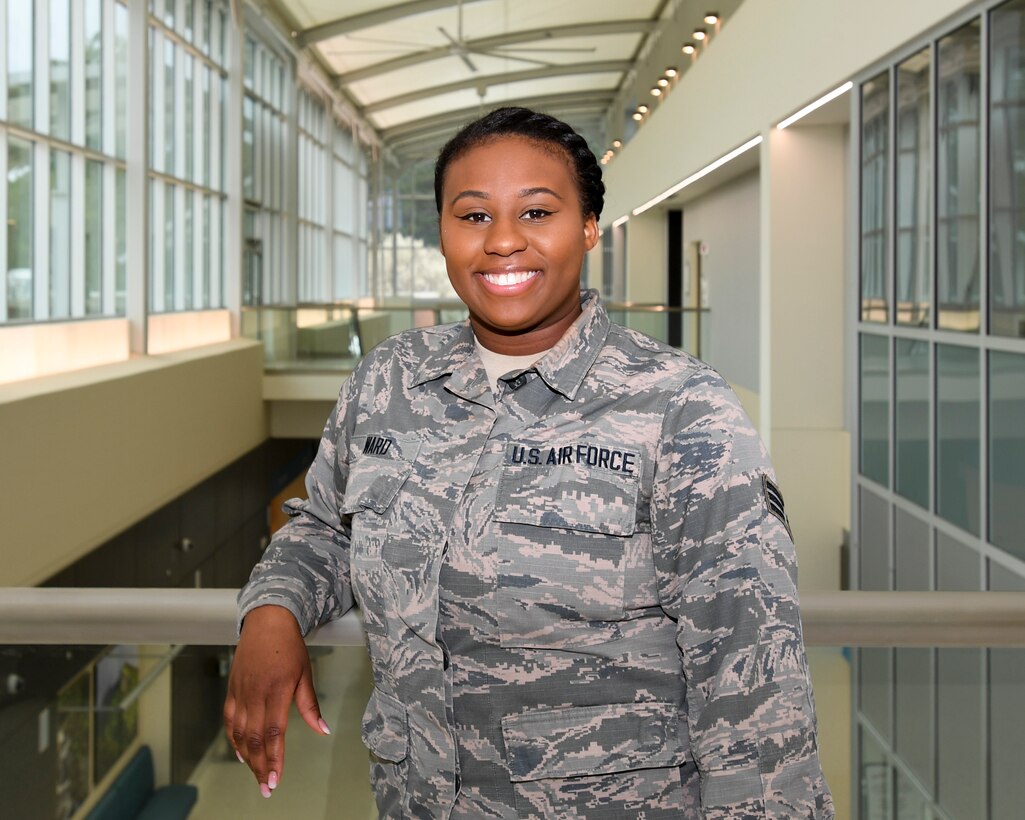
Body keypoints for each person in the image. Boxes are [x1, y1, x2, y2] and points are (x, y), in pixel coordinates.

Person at [226, 106, 834, 819]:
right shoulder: (389, 380)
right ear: (443, 232)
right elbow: (327, 528)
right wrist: (273, 609)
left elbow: (753, 682)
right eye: (473, 216)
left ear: (588, 227)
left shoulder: (679, 406)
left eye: (537, 211)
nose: (503, 240)